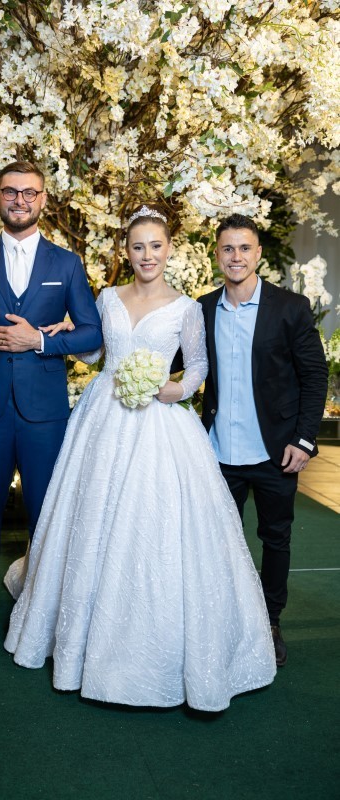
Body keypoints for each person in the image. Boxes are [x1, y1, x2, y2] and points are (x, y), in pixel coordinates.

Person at [4, 205, 277, 712]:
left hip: (159, 421)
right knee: (90, 516)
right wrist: (63, 334)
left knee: (153, 523)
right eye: (137, 246)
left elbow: (198, 364)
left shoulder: (187, 308)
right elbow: (94, 354)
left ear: (169, 249)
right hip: (102, 416)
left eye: (155, 245)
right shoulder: (107, 297)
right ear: (125, 252)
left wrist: (175, 390)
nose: (147, 255)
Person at [0, 161, 103, 646]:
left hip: (45, 415)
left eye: (30, 192)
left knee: (46, 514)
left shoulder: (66, 263)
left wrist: (40, 341)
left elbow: (93, 334)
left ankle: (43, 604)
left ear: (43, 199)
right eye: (11, 192)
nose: (20, 200)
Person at [198, 214, 329, 667]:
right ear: (217, 254)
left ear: (257, 253)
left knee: (275, 539)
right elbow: (175, 358)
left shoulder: (290, 307)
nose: (236, 257)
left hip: (275, 451)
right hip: (218, 452)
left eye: (244, 248)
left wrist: (304, 440)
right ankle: (224, 618)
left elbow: (314, 376)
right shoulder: (203, 308)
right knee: (217, 540)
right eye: (227, 248)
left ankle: (270, 622)